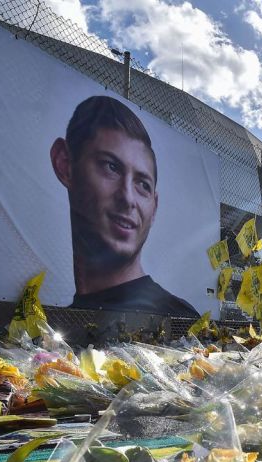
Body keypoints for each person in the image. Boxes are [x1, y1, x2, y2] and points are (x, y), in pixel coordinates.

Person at [50, 95, 199, 317]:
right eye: (111, 167)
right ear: (65, 164)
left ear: (154, 206)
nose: (127, 198)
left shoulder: (178, 319)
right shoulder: (52, 325)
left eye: (142, 184)